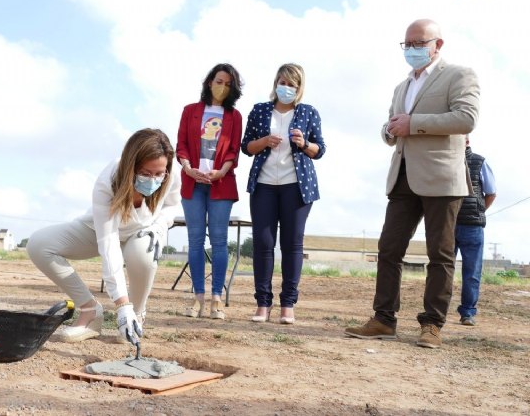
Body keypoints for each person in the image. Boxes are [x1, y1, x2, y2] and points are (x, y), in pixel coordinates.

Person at [344, 19, 480, 348]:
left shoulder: (459, 75)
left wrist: (413, 123)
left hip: (441, 178)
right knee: (389, 248)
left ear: (438, 44)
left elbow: (467, 118)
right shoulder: (402, 87)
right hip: (403, 176)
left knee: (440, 254)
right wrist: (389, 130)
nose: (412, 49)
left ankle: (432, 324)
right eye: (407, 44)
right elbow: (393, 125)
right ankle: (383, 319)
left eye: (419, 43)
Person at [27, 128, 181, 344]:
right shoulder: (108, 181)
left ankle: (136, 316)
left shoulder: (171, 173)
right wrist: (122, 305)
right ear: (131, 166)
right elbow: (109, 246)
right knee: (39, 244)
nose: (153, 180)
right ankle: (90, 311)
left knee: (143, 252)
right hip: (99, 231)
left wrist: (159, 226)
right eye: (145, 173)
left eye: (158, 174)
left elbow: (172, 205)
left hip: (140, 235)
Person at [241, 63, 326, 324]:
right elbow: (246, 146)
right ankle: (262, 304)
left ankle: (288, 304)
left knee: (292, 244)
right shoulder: (259, 110)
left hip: (297, 186)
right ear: (276, 83)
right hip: (264, 184)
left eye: (291, 84)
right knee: (263, 244)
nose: (286, 88)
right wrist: (265, 141)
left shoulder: (308, 112)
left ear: (299, 88)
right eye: (282, 82)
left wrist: (304, 143)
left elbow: (320, 150)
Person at [176, 63, 243, 320]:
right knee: (195, 241)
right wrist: (188, 168)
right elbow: (181, 144)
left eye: (228, 84)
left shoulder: (235, 116)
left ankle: (217, 298)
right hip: (192, 183)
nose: (222, 87)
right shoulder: (190, 111)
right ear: (209, 82)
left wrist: (222, 172)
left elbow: (233, 151)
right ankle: (198, 297)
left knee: (219, 241)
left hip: (221, 184)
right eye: (219, 81)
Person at [455, 138, 496, 326]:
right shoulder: (444, 158)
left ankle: (468, 313)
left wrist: (479, 211)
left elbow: (491, 193)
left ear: (467, 140)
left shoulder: (480, 162)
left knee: (472, 272)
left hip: (472, 226)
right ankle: (437, 312)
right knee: (442, 269)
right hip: (447, 224)